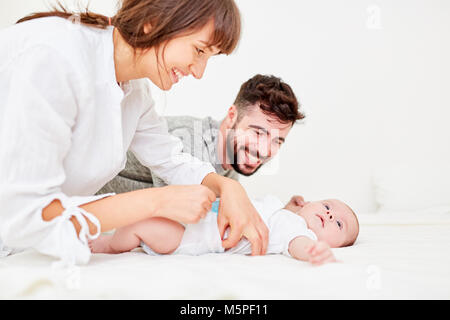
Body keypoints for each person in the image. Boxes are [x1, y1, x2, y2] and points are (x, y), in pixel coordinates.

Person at [0, 0, 269, 265]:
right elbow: (25, 213)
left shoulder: (134, 90)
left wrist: (226, 185)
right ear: (153, 23)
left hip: (23, 249)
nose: (199, 72)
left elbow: (169, 157)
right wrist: (156, 201)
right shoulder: (55, 58)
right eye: (199, 51)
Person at [97, 74, 304, 194]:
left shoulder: (231, 165)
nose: (265, 150)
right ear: (232, 116)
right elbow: (178, 222)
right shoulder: (190, 140)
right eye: (258, 133)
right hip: (76, 206)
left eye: (278, 141)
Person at [89, 194, 359, 266]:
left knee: (141, 223)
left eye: (338, 224)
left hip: (192, 237)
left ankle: (109, 245)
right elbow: (275, 216)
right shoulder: (284, 214)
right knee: (146, 208)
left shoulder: (299, 232)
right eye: (326, 205)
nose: (329, 214)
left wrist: (312, 252)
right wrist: (291, 206)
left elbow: (295, 243)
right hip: (195, 215)